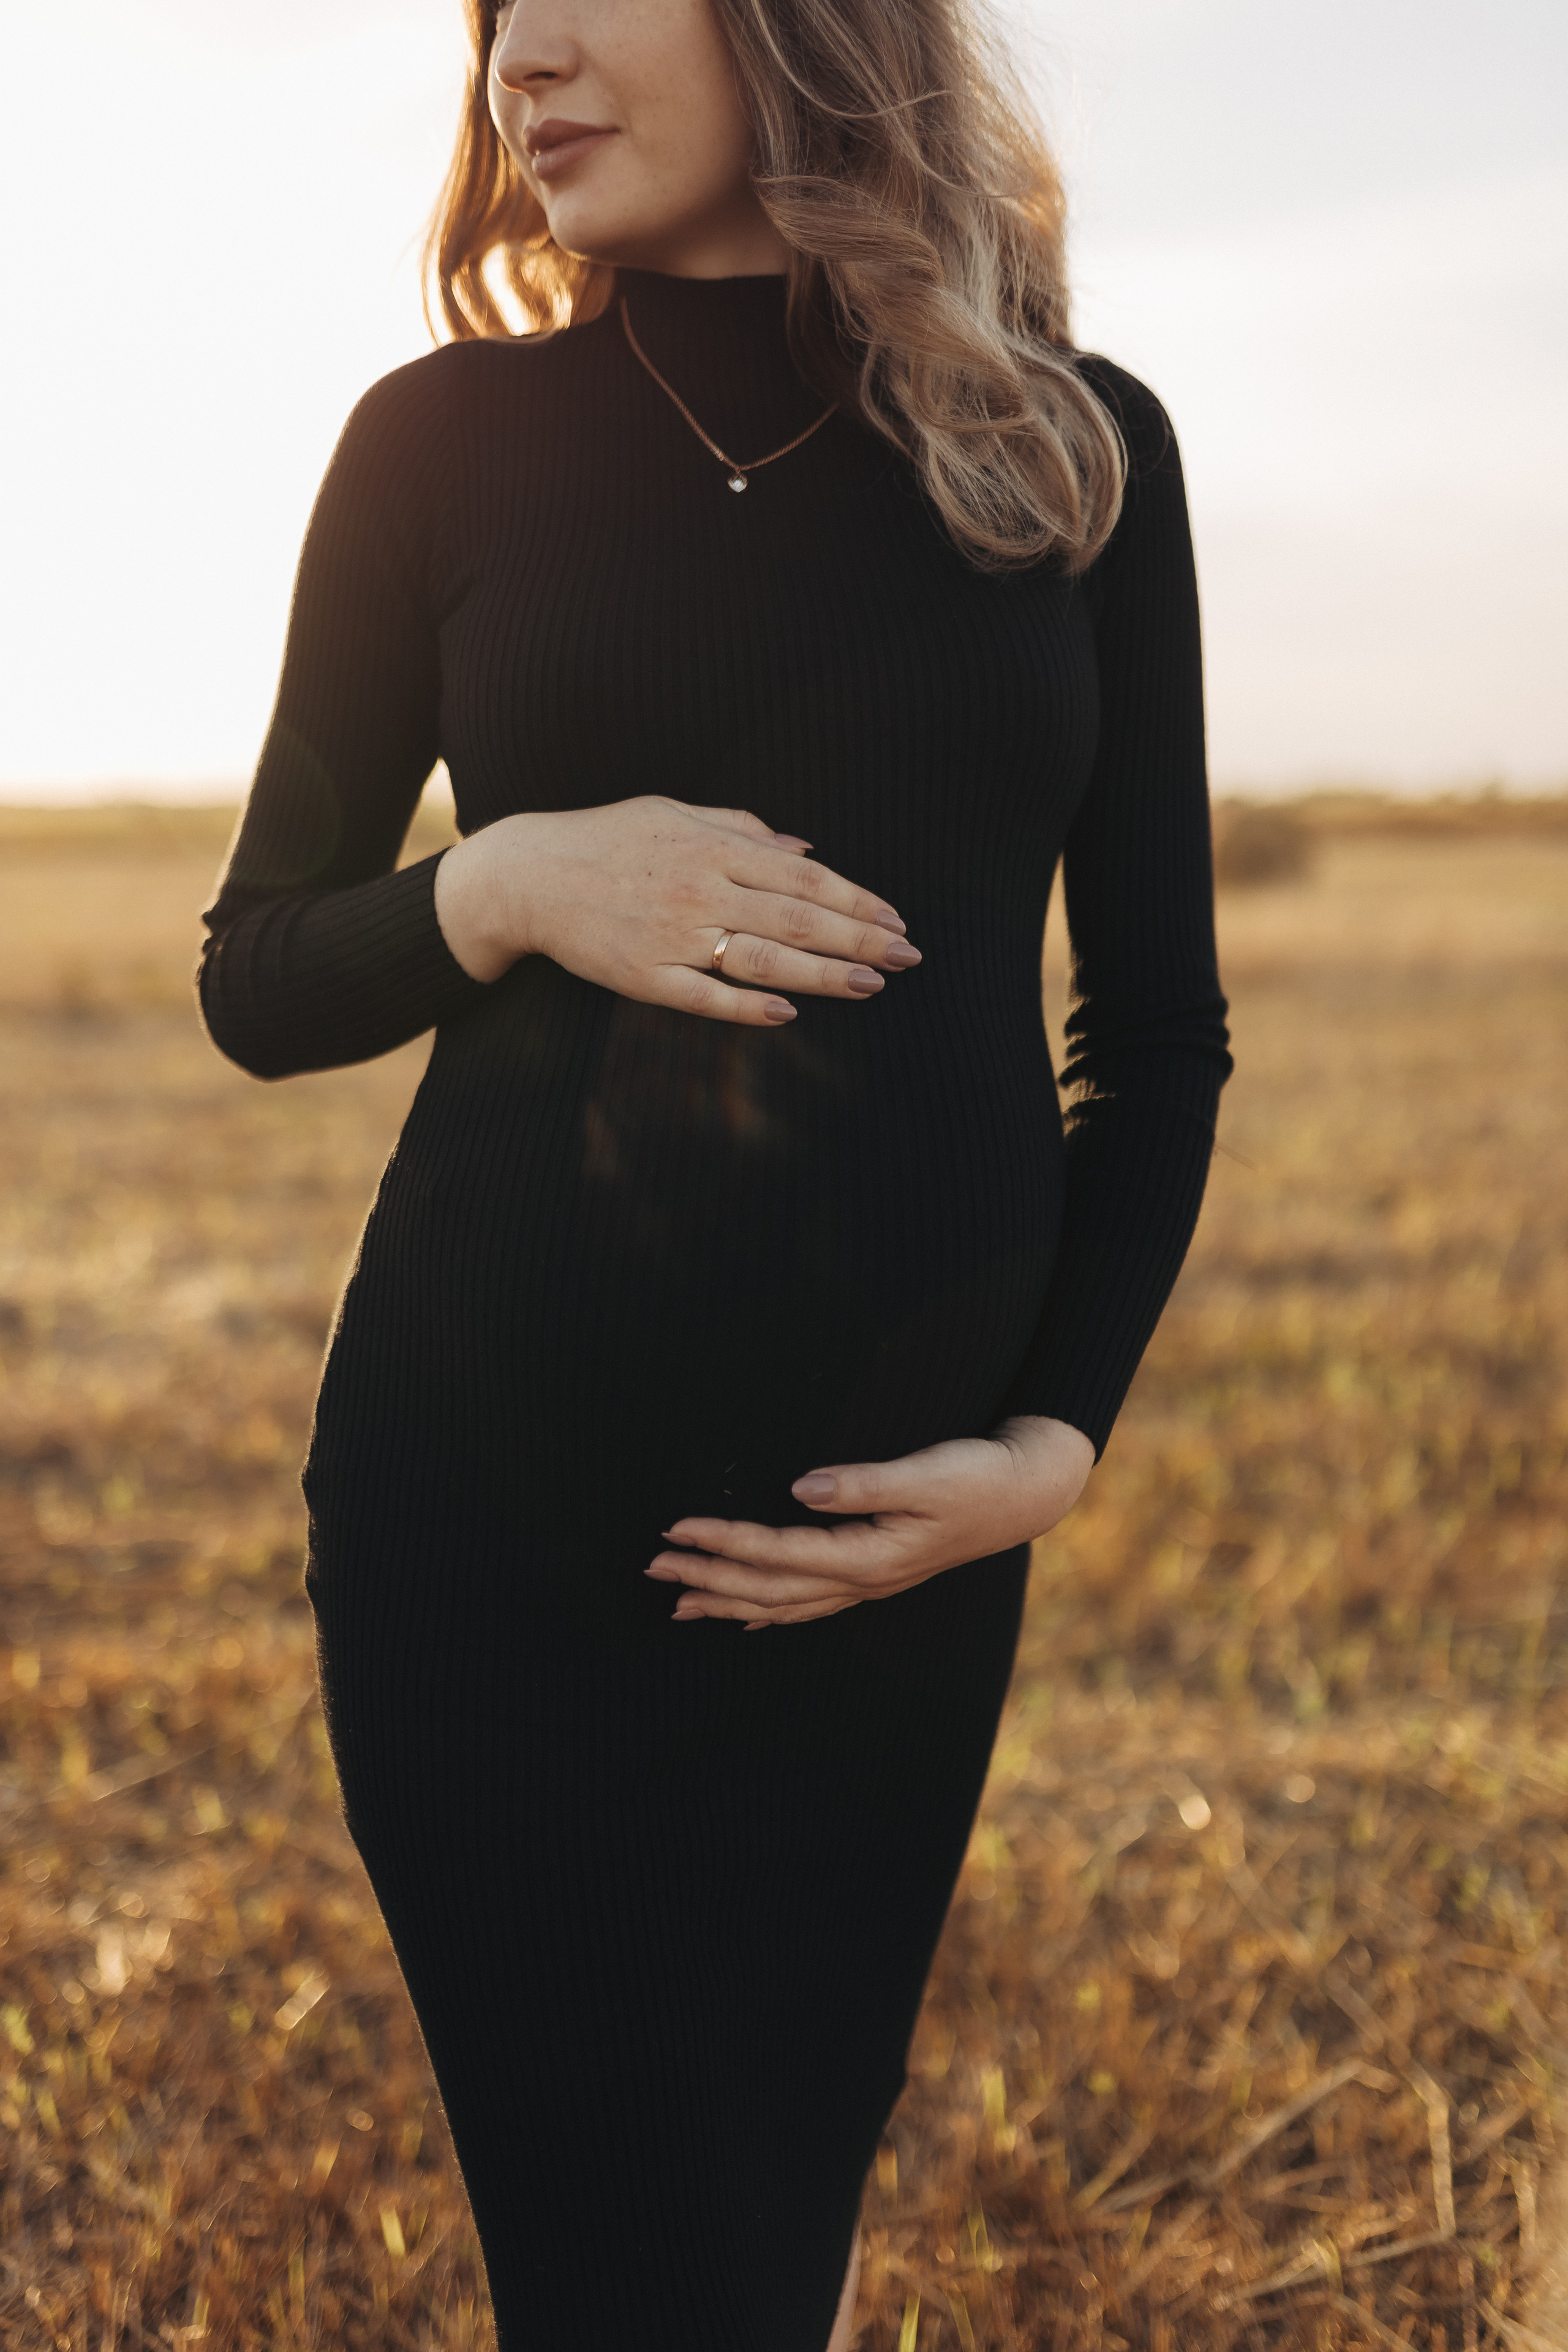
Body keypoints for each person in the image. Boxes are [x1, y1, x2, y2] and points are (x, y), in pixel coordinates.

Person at [198, 0, 1232, 2339]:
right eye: (494, 19)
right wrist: (509, 884)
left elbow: (1155, 1034)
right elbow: (257, 973)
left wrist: (1053, 1447)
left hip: (884, 1569)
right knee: (612, 2276)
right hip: (486, 1527)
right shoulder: (438, 445)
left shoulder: (1072, 450)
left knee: (760, 2261)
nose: (519, 62)